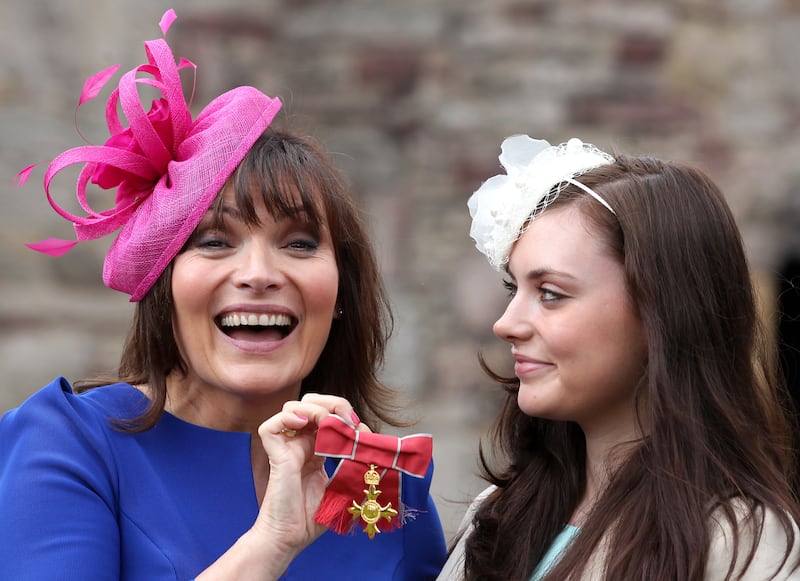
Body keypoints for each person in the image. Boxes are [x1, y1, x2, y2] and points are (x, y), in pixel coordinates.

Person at [0, 10, 446, 580]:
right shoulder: (69, 444)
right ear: (165, 285)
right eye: (214, 241)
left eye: (300, 242)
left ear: (340, 292)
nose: (258, 272)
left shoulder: (382, 488)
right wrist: (272, 543)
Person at [437, 135, 800, 580]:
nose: (506, 323)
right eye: (515, 289)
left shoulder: (739, 543)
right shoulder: (496, 515)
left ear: (661, 312)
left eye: (550, 294)